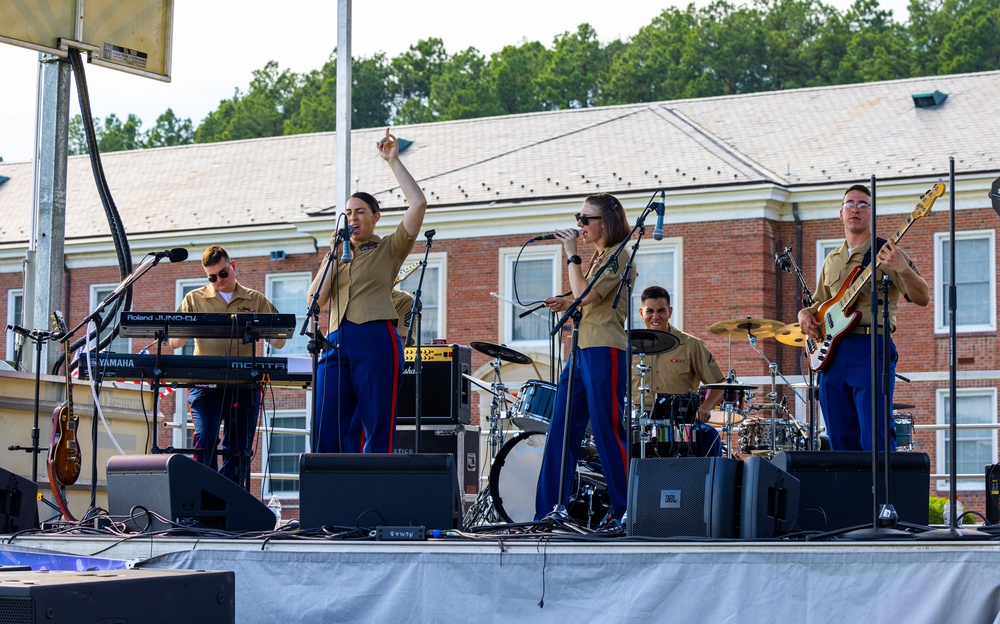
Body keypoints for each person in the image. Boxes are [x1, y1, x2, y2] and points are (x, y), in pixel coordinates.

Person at [307, 128, 427, 454]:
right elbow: (315, 301)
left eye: (360, 212)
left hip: (375, 338)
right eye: (348, 212)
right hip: (335, 341)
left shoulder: (388, 248)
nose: (353, 217)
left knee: (377, 425)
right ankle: (330, 495)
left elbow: (418, 205)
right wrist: (333, 248)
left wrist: (393, 161)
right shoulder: (337, 253)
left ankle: (374, 493)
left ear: (375, 217)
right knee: (325, 427)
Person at [797, 184, 929, 451]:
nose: (855, 209)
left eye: (863, 205)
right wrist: (804, 314)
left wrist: (902, 269)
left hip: (870, 347)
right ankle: (851, 493)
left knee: (875, 435)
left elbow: (922, 296)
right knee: (839, 437)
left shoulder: (887, 253)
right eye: (850, 204)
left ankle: (883, 493)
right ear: (841, 213)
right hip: (832, 353)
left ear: (872, 213)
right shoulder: (831, 259)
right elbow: (820, 304)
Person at [534, 193, 635, 522]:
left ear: (605, 223)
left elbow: (584, 295)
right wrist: (566, 303)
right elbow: (583, 299)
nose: (579, 224)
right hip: (580, 350)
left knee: (607, 430)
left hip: (605, 349)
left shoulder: (620, 256)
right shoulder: (599, 255)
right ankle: (549, 511)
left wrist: (571, 257)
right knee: (560, 431)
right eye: (578, 217)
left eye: (585, 219)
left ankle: (626, 510)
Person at [168, 245, 286, 486]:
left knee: (239, 446)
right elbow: (174, 342)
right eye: (212, 277)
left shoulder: (255, 299)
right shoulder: (194, 298)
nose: (219, 281)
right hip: (205, 383)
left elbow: (280, 341)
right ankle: (206, 494)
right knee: (205, 437)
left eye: (223, 274)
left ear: (233, 266)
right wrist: (191, 324)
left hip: (243, 384)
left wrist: (264, 328)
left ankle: (227, 499)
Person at [633, 285, 725, 456]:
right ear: (641, 313)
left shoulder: (691, 345)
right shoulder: (628, 345)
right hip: (637, 420)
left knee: (709, 435)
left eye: (661, 311)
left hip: (680, 420)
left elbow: (720, 384)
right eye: (650, 311)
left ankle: (711, 482)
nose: (655, 316)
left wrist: (705, 408)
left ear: (670, 311)